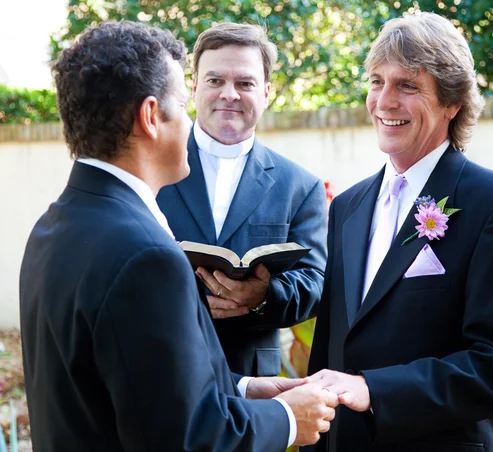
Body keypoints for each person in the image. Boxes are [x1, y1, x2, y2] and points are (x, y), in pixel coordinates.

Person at [19, 21, 337, 451]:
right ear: (151, 117)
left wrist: (240, 389)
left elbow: (130, 384)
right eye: (184, 103)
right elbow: (189, 437)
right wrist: (288, 416)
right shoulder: (147, 257)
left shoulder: (52, 227)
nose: (191, 119)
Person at [306, 12, 493, 452]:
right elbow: (331, 352)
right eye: (377, 81)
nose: (384, 101)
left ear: (452, 103)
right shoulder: (347, 207)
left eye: (407, 86)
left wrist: (375, 389)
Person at [156, 22, 327, 377]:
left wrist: (263, 295)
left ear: (266, 92)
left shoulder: (300, 185)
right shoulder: (151, 169)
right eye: (215, 80)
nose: (229, 94)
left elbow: (316, 280)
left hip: (252, 378)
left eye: (244, 83)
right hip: (160, 367)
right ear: (194, 87)